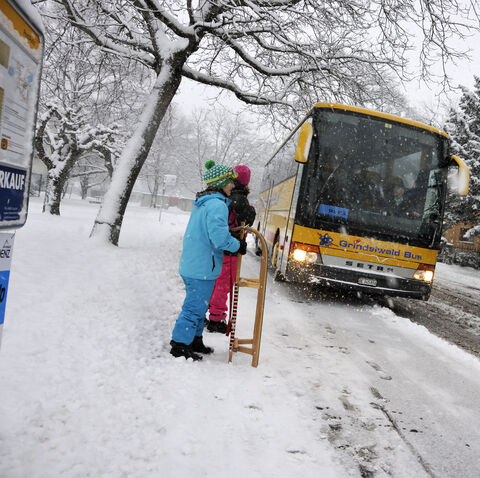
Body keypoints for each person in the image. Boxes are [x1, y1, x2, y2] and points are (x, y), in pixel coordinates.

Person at [170, 160, 247, 361]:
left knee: (200, 306)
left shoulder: (206, 203)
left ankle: (194, 341)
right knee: (194, 308)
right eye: (229, 182)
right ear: (220, 183)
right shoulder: (216, 205)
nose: (232, 185)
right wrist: (237, 245)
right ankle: (179, 345)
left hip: (197, 264)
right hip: (201, 267)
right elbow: (219, 238)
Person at [206, 165, 256, 333]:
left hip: (222, 246)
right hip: (231, 247)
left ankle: (213, 312)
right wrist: (251, 212)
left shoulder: (226, 195)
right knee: (224, 283)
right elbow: (246, 220)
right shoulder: (240, 198)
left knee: (218, 282)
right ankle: (216, 318)